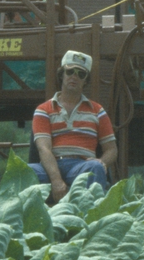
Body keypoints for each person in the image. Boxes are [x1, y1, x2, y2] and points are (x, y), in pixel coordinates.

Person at [29, 50, 117, 201]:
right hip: (51, 166)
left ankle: (90, 218)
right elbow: (44, 149)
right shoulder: (43, 110)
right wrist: (56, 181)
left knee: (95, 168)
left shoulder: (97, 111)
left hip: (81, 166)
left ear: (85, 81)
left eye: (80, 74)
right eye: (70, 71)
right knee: (23, 172)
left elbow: (112, 149)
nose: (74, 77)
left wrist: (102, 162)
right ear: (62, 74)